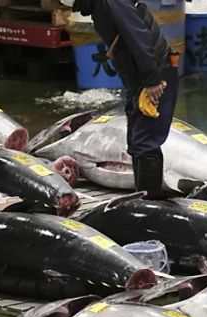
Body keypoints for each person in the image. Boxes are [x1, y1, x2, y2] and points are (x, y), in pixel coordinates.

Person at [62, 0, 178, 199]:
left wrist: (152, 80)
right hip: (139, 77)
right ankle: (143, 199)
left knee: (145, 142)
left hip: (155, 74)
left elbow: (137, 35)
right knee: (137, 141)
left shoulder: (110, 1)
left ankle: (148, 206)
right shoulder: (98, 6)